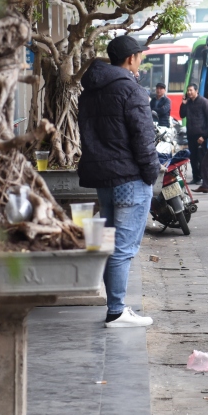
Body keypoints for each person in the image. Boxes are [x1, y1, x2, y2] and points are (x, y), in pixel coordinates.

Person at [77, 35, 158, 328]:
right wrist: (151, 173)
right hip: (129, 177)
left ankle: (116, 308)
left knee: (111, 242)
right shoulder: (130, 89)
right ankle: (116, 310)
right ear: (131, 59)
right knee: (123, 246)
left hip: (104, 177)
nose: (140, 62)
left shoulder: (90, 90)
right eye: (139, 57)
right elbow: (143, 136)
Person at [180, 84, 208, 189]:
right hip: (191, 134)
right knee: (192, 157)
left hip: (200, 134)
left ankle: (203, 178)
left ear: (196, 91)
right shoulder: (188, 102)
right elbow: (182, 115)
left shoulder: (203, 101)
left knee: (201, 157)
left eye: (191, 90)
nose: (189, 92)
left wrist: (205, 135)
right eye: (188, 90)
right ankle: (196, 177)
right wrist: (183, 104)